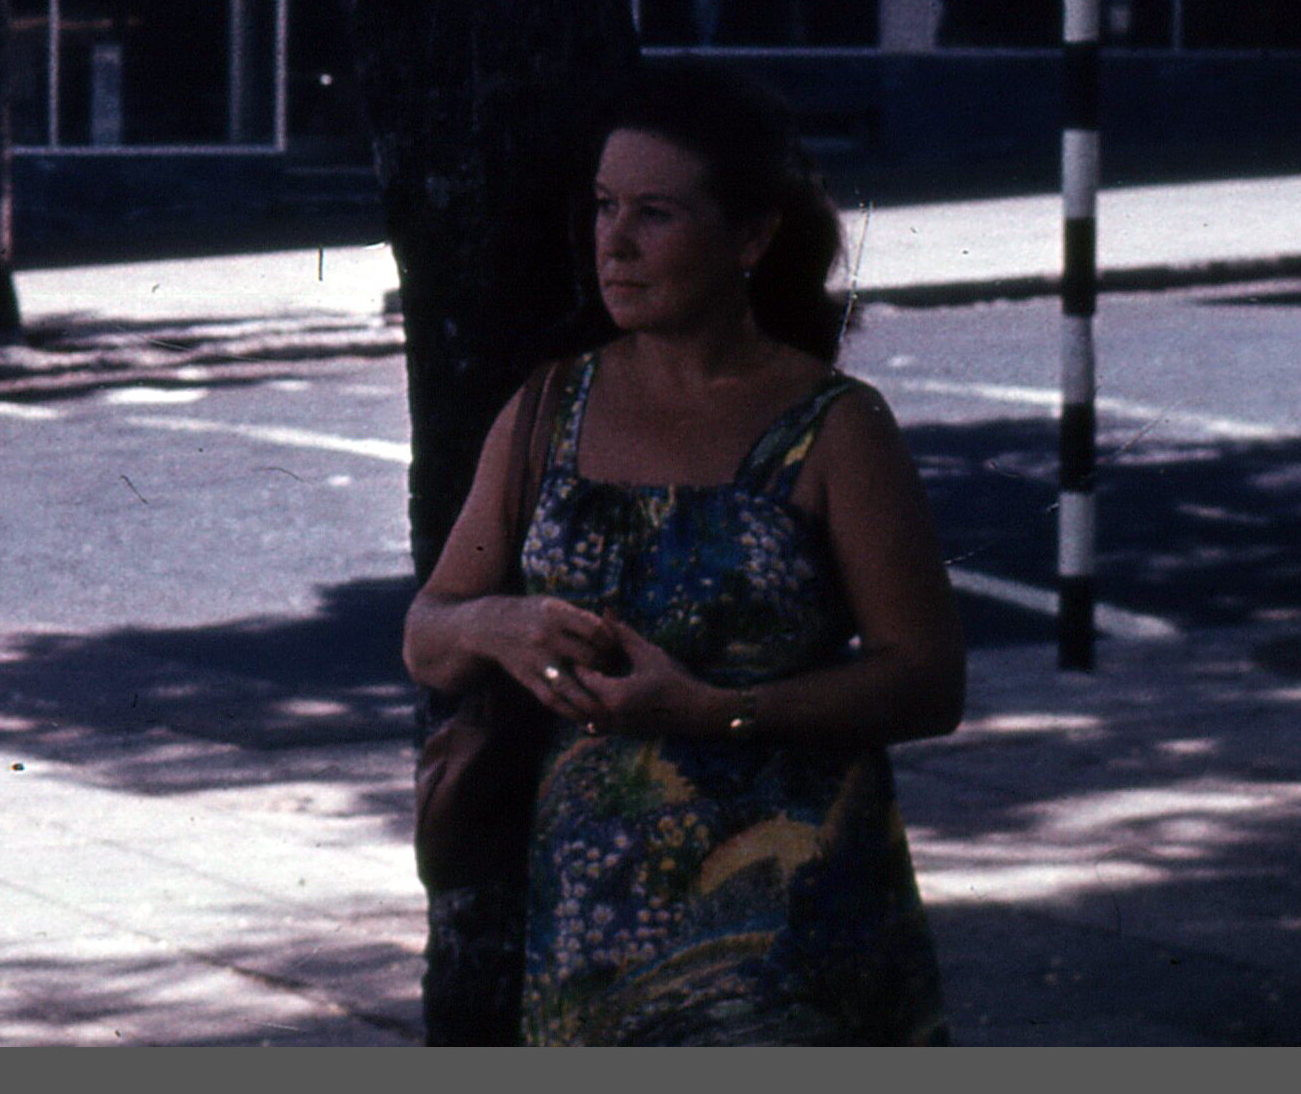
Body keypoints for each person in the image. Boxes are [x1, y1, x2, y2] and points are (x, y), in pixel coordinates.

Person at [404, 61, 961, 1045]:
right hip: (594, 938)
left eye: (654, 213)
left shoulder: (834, 427)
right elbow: (429, 633)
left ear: (750, 236)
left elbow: (926, 681)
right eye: (604, 206)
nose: (614, 242)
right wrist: (499, 623)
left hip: (790, 937)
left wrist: (712, 710)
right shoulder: (550, 407)